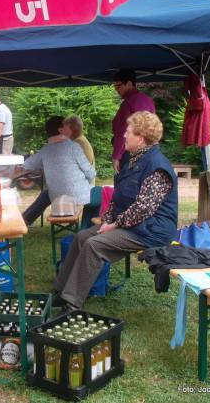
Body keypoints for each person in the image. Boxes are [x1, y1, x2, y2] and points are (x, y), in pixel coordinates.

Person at [52, 111, 178, 311]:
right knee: (81, 237)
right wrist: (107, 220)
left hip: (151, 231)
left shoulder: (157, 167)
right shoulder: (133, 160)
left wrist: (114, 225)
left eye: (128, 132)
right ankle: (60, 291)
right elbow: (118, 196)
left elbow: (143, 208)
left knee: (94, 245)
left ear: (141, 138)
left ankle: (71, 302)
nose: (124, 135)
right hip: (133, 224)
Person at [22, 116, 96, 226]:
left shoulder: (48, 149)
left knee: (47, 194)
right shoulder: (75, 145)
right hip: (78, 192)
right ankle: (88, 227)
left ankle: (24, 220)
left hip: (62, 193)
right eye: (66, 126)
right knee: (100, 195)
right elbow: (89, 172)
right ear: (61, 130)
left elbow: (26, 165)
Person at [112, 69, 155, 173]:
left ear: (129, 84)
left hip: (130, 152)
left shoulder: (128, 103)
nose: (116, 89)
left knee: (126, 181)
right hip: (149, 151)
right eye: (115, 86)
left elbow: (123, 131)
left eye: (118, 86)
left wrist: (116, 155)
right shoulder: (148, 100)